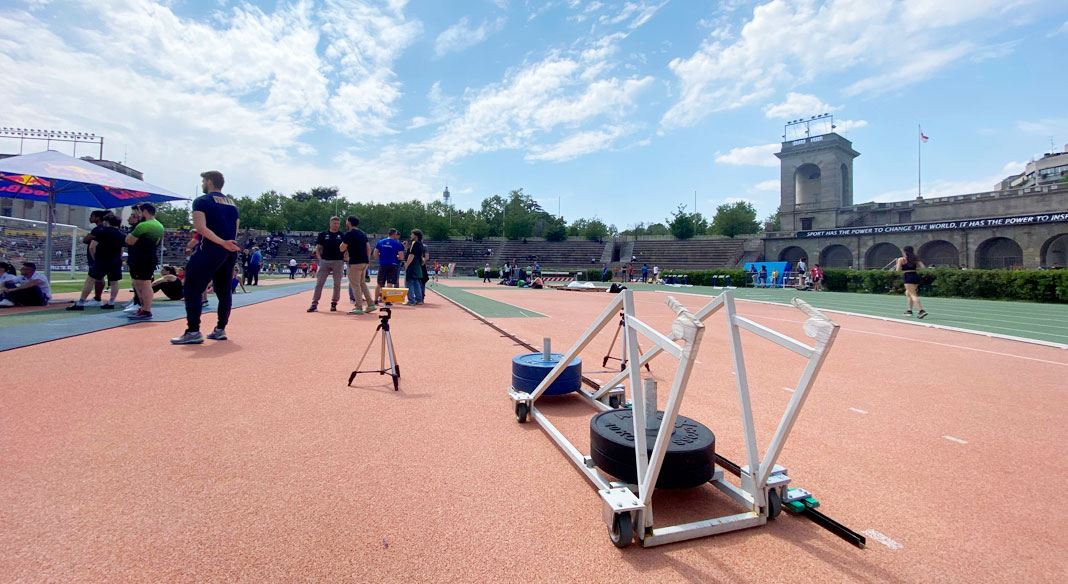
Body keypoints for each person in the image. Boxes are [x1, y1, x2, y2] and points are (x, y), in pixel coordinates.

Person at [170, 170, 241, 345]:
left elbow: (201, 228)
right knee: (224, 291)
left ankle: (193, 331)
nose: (202, 184)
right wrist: (227, 243)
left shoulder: (202, 201)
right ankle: (220, 329)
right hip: (229, 250)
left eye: (203, 181)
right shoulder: (233, 205)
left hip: (211, 249)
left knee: (192, 288)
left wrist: (220, 242)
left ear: (209, 181)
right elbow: (234, 230)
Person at [68, 213, 124, 310]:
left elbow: (92, 246)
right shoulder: (121, 234)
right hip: (115, 260)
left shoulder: (101, 231)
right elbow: (122, 250)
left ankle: (81, 302)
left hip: (102, 259)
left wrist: (95, 258)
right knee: (114, 282)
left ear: (107, 222)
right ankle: (111, 302)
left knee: (90, 280)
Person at [308, 216, 346, 312]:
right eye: (334, 223)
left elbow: (347, 247)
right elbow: (318, 248)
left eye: (338, 224)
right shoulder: (323, 234)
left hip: (338, 261)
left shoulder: (342, 235)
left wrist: (345, 258)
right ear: (330, 223)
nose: (336, 225)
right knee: (319, 283)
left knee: (337, 284)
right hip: (325, 261)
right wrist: (320, 259)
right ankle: (314, 303)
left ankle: (334, 303)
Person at [339, 215, 376, 315]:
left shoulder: (349, 234)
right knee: (362, 283)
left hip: (355, 262)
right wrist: (367, 261)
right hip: (364, 262)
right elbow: (368, 248)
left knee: (355, 285)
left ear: (349, 222)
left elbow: (342, 248)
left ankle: (358, 306)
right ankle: (370, 303)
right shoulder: (362, 233)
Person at [81, 209, 109, 305]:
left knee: (95, 278)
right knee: (99, 277)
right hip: (101, 257)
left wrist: (89, 237)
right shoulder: (103, 229)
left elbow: (86, 240)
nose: (90, 218)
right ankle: (97, 297)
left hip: (96, 257)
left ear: (97, 218)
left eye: (92, 216)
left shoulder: (98, 230)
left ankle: (97, 298)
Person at [373, 228, 405, 306]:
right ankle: (387, 301)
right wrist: (395, 257)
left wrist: (382, 257)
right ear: (394, 234)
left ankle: (376, 300)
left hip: (383, 264)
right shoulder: (397, 244)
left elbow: (375, 255)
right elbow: (401, 257)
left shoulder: (380, 242)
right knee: (389, 283)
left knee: (379, 283)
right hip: (393, 264)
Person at [896, 246, 927, 318]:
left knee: (913, 294)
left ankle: (921, 310)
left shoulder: (901, 259)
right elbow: (923, 267)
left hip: (907, 276)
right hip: (915, 275)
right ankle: (909, 310)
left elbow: (897, 270)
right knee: (908, 293)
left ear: (905, 251)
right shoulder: (915, 259)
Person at [403, 229, 425, 305]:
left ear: (416, 236)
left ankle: (411, 301)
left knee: (409, 282)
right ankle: (419, 300)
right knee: (416, 282)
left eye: (412, 234)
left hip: (412, 266)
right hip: (417, 265)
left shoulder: (414, 243)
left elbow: (411, 255)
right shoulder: (420, 244)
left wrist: (407, 265)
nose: (410, 236)